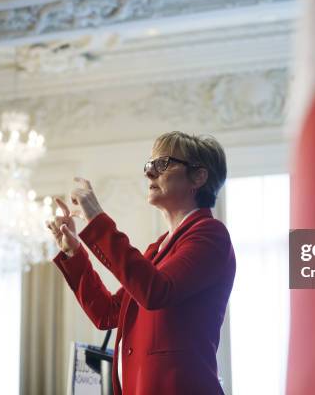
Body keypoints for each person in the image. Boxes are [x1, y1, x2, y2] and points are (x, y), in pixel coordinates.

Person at [46, 131, 236, 395]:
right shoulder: (157, 249)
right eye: (149, 166)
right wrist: (73, 252)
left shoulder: (210, 234)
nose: (149, 174)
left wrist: (97, 219)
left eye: (163, 164)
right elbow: (107, 312)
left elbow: (155, 291)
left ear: (198, 177)